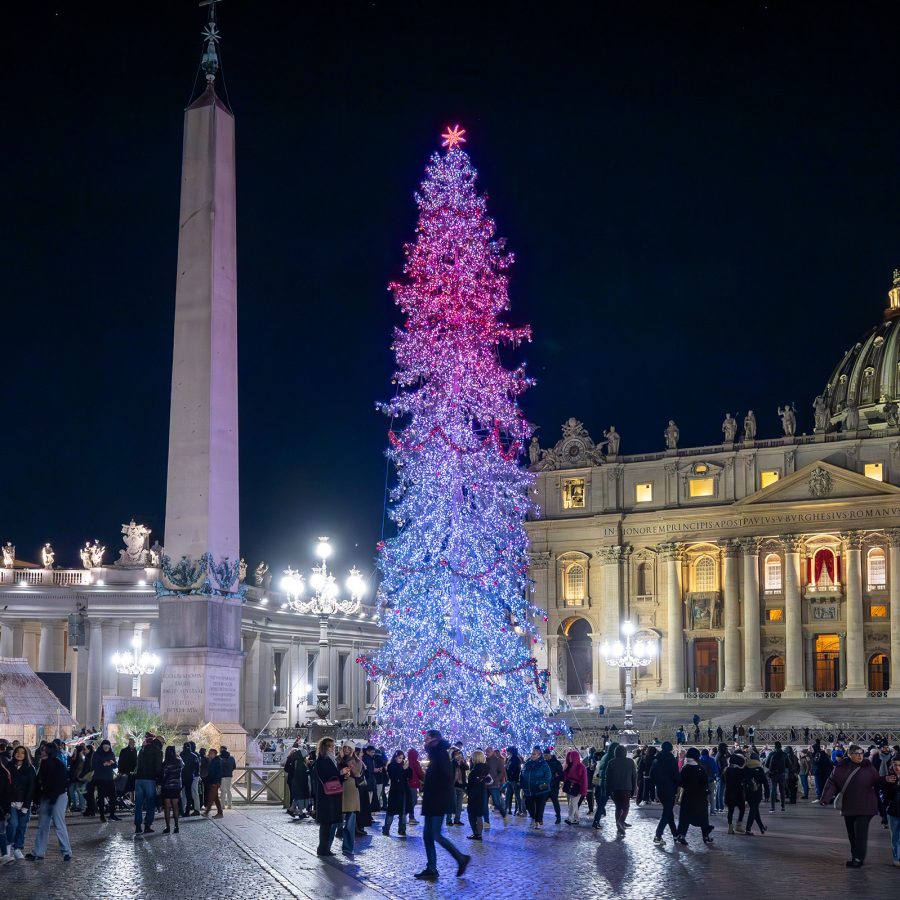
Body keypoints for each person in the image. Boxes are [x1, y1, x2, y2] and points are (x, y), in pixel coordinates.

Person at [414, 729, 471, 882]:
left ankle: (461, 858)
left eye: (427, 738)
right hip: (432, 801)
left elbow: (446, 780)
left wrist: (436, 793)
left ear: (434, 740)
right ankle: (431, 868)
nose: (424, 740)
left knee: (435, 834)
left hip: (437, 801)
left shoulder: (440, 755)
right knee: (427, 835)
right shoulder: (435, 755)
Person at [821, 743, 886, 868]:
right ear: (850, 755)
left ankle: (858, 858)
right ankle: (854, 855)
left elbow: (877, 781)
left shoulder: (868, 767)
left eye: (861, 753)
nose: (860, 756)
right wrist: (825, 798)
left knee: (860, 833)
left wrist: (886, 780)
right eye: (856, 754)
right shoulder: (841, 767)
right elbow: (832, 782)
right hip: (849, 806)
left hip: (866, 806)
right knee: (852, 833)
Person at [26, 743, 71, 861]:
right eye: (42, 751)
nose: (42, 753)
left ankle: (67, 852)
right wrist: (37, 800)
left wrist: (52, 799)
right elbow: (39, 783)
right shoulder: (44, 764)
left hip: (58, 796)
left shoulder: (58, 765)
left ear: (50, 752)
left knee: (59, 824)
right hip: (47, 797)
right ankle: (38, 852)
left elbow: (60, 784)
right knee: (42, 825)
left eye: (45, 751)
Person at [674, 747, 714, 845]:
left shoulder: (685, 768)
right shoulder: (700, 768)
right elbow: (705, 783)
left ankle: (681, 835)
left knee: (684, 818)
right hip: (700, 797)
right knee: (703, 818)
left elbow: (680, 782)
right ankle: (706, 836)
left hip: (687, 797)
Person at [314, 737, 345, 857]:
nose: (333, 748)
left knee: (330, 822)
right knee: (326, 823)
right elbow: (327, 776)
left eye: (333, 745)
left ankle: (326, 848)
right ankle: (323, 848)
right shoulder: (322, 760)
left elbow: (334, 776)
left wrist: (342, 775)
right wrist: (340, 774)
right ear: (324, 747)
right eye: (330, 746)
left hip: (332, 794)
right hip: (326, 795)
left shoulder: (332, 759)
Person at [6, 745, 36, 859]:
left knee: (22, 826)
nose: (19, 754)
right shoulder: (8, 766)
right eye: (17, 752)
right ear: (14, 754)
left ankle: (18, 848)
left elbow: (32, 787)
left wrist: (27, 804)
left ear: (26, 755)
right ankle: (9, 845)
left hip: (24, 802)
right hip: (11, 801)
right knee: (13, 825)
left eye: (22, 752)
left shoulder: (30, 768)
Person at [133, 732, 163, 836]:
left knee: (138, 804)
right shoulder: (158, 751)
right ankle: (147, 826)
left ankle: (137, 827)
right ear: (160, 743)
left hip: (139, 779)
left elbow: (137, 764)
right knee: (151, 803)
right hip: (150, 780)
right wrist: (159, 780)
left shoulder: (142, 750)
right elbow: (158, 768)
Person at [650, 740, 679, 845]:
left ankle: (675, 834)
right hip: (670, 788)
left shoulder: (656, 759)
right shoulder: (672, 760)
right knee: (667, 812)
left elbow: (651, 774)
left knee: (668, 812)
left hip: (660, 789)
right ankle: (658, 835)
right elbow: (676, 775)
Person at [605, 744, 637, 836]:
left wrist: (608, 788)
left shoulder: (611, 762)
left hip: (615, 788)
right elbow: (634, 776)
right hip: (627, 787)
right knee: (626, 807)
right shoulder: (630, 762)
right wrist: (634, 788)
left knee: (618, 807)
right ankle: (621, 821)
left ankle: (618, 826)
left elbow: (608, 777)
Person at [339, 743, 362, 858]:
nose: (346, 749)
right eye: (345, 747)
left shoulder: (357, 761)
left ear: (353, 750)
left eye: (349, 748)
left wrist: (348, 762)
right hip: (338, 792)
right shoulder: (338, 759)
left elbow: (357, 773)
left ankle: (347, 847)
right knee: (336, 823)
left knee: (349, 824)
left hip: (351, 793)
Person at [520, 746, 551, 830]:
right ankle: (535, 817)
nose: (532, 755)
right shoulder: (527, 763)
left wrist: (538, 783)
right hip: (529, 789)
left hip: (541, 789)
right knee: (529, 805)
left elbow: (548, 777)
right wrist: (522, 784)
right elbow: (522, 774)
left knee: (540, 806)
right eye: (532, 754)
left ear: (539, 755)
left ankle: (537, 821)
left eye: (534, 754)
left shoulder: (544, 764)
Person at [383, 750, 411, 836]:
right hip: (395, 791)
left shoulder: (403, 765)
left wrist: (407, 769)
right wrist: (403, 769)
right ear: (395, 757)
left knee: (403, 812)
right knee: (391, 811)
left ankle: (402, 829)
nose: (401, 760)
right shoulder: (391, 766)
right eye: (399, 758)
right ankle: (386, 829)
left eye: (402, 758)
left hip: (404, 791)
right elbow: (394, 776)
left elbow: (409, 776)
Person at [465, 750, 492, 839]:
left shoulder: (474, 771)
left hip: (474, 795)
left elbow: (471, 785)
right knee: (479, 815)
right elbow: (489, 780)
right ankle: (479, 834)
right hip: (482, 793)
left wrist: (466, 788)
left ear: (474, 758)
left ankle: (476, 833)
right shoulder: (486, 768)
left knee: (472, 814)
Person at [91, 739, 119, 822]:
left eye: (108, 745)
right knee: (101, 797)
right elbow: (93, 766)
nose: (106, 747)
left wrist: (112, 763)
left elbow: (115, 766)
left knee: (113, 796)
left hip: (109, 778)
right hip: (100, 778)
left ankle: (112, 814)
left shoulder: (111, 753)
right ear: (102, 746)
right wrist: (104, 764)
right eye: (105, 745)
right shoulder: (97, 754)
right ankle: (102, 815)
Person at [160, 746, 184, 834]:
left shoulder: (165, 763)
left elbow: (163, 775)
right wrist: (178, 756)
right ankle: (176, 826)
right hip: (177, 786)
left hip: (167, 787)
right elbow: (183, 766)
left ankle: (168, 827)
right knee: (175, 806)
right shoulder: (179, 762)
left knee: (167, 807)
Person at [743, 752, 769, 835]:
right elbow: (765, 782)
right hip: (757, 791)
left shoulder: (746, 768)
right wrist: (767, 794)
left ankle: (762, 827)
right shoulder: (760, 769)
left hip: (748, 791)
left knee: (755, 810)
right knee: (753, 809)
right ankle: (748, 829)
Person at [882, 756, 900, 867]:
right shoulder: (889, 779)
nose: (897, 767)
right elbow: (884, 796)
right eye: (895, 765)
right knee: (895, 836)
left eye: (899, 765)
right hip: (893, 812)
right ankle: (896, 857)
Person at [562, 749, 587, 825]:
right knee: (574, 803)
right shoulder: (569, 766)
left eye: (571, 757)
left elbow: (584, 779)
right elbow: (565, 776)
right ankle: (577, 818)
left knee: (572, 803)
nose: (570, 759)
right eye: (569, 757)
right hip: (570, 787)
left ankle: (570, 818)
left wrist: (583, 790)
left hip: (577, 788)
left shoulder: (581, 767)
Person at [724, 754, 747, 834]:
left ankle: (730, 827)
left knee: (730, 810)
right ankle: (739, 825)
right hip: (738, 793)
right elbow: (743, 780)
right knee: (742, 808)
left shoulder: (727, 770)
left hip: (729, 792)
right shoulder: (740, 770)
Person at [485, 747, 507, 825]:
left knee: (497, 803)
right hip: (485, 786)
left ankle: (504, 814)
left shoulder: (498, 761)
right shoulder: (484, 760)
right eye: (486, 752)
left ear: (492, 752)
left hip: (494, 785)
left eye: (488, 752)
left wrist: (496, 779)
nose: (487, 753)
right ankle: (486, 821)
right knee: (484, 804)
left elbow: (502, 772)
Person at [180, 742, 200, 816]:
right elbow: (197, 767)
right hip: (192, 777)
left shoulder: (181, 755)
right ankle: (191, 810)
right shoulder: (194, 756)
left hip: (183, 777)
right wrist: (196, 775)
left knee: (183, 794)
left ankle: (182, 810)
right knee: (191, 794)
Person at [544, 748, 564, 824]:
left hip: (554, 786)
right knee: (542, 802)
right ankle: (539, 817)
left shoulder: (556, 763)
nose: (545, 757)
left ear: (550, 754)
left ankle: (558, 817)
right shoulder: (544, 763)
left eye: (546, 755)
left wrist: (556, 776)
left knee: (555, 802)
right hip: (545, 786)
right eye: (544, 756)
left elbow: (561, 775)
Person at [449, 749, 468, 826]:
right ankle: (448, 820)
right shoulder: (451, 762)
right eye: (456, 754)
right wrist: (456, 762)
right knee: (451, 803)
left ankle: (457, 820)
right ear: (453, 755)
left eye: (459, 754)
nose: (458, 756)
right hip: (453, 785)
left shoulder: (462, 763)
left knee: (459, 804)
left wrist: (462, 762)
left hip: (461, 785)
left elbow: (467, 768)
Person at [767, 741, 787, 812]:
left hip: (773, 774)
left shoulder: (772, 754)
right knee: (782, 791)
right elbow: (788, 765)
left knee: (773, 790)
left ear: (774, 747)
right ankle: (783, 807)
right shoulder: (784, 754)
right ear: (781, 746)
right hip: (782, 774)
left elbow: (767, 764)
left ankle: (772, 807)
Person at [203, 748, 224, 817]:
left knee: (211, 797)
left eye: (210, 753)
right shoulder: (213, 761)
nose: (209, 754)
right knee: (215, 798)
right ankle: (220, 812)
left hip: (215, 782)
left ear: (214, 754)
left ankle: (207, 812)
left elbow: (218, 773)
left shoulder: (217, 761)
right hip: (213, 781)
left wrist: (215, 782)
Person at [407, 747, 424, 825]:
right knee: (413, 801)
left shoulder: (407, 762)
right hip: (413, 784)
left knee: (409, 801)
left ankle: (408, 815)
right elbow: (420, 773)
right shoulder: (415, 762)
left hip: (407, 784)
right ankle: (410, 816)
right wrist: (424, 779)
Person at [504, 747, 523, 817]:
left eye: (508, 751)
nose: (507, 752)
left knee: (517, 796)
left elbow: (517, 770)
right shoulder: (509, 758)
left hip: (514, 780)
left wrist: (517, 780)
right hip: (509, 780)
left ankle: (519, 810)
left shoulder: (515, 759)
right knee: (508, 795)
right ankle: (507, 809)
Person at [67, 745, 85, 813]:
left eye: (75, 750)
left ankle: (81, 806)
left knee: (80, 793)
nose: (74, 751)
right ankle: (75, 805)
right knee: (72, 792)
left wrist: (78, 776)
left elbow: (80, 769)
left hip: (78, 778)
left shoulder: (81, 758)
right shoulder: (73, 758)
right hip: (73, 778)